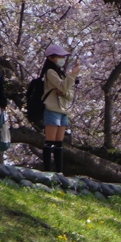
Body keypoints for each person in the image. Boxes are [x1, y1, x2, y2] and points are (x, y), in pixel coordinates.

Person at [40, 44, 81, 173]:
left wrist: (65, 91)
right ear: (51, 57)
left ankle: (58, 171)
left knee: (59, 144)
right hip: (52, 109)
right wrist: (73, 75)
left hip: (63, 111)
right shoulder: (50, 72)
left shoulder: (61, 74)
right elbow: (64, 87)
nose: (63, 59)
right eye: (60, 56)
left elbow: (69, 93)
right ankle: (47, 171)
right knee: (49, 142)